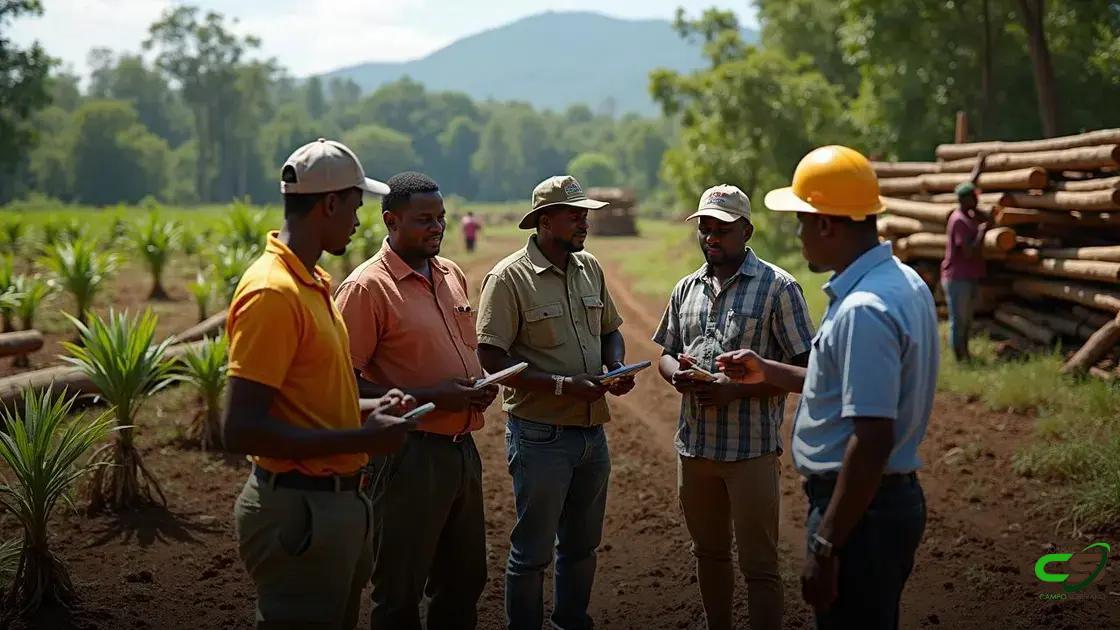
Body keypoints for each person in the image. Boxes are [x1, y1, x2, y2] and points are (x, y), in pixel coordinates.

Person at [716, 145, 937, 630]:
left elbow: (873, 437)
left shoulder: (864, 309)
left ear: (826, 224)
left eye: (800, 221)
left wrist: (825, 544)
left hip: (859, 512)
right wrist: (769, 371)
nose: (797, 235)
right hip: (882, 505)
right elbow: (845, 386)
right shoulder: (903, 282)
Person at [223, 138, 418, 629]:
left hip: (328, 505)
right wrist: (362, 439)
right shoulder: (274, 293)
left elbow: (307, 402)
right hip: (298, 514)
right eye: (355, 206)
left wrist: (368, 413)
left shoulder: (314, 283)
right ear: (329, 203)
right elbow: (242, 429)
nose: (358, 220)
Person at [333, 171, 499, 630]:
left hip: (461, 450)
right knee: (399, 589)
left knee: (464, 581)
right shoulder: (367, 288)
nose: (437, 228)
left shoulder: (451, 274)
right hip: (406, 456)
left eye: (441, 218)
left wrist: (478, 386)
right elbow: (343, 384)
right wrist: (432, 396)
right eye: (424, 219)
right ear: (391, 221)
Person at [475, 174, 637, 630]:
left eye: (585, 214)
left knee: (582, 546)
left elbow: (610, 329)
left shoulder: (591, 269)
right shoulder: (509, 278)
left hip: (591, 430)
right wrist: (563, 385)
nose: (584, 222)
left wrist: (615, 366)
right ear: (545, 221)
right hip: (540, 434)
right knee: (532, 552)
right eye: (574, 215)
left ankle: (571, 622)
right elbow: (490, 356)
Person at [652, 185, 814, 630]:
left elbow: (806, 369)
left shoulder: (779, 288)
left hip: (750, 453)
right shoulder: (687, 288)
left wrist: (735, 390)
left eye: (721, 228)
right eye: (704, 228)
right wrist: (676, 375)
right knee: (708, 553)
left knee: (759, 566)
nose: (711, 237)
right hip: (695, 449)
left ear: (746, 230)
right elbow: (665, 353)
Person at [942, 153, 989, 362]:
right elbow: (969, 251)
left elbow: (968, 186)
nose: (977, 200)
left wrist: (978, 169)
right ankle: (960, 358)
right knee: (959, 320)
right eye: (973, 198)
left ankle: (965, 354)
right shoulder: (959, 220)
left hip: (967, 276)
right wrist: (983, 231)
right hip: (958, 278)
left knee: (966, 320)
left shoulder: (967, 214)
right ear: (964, 200)